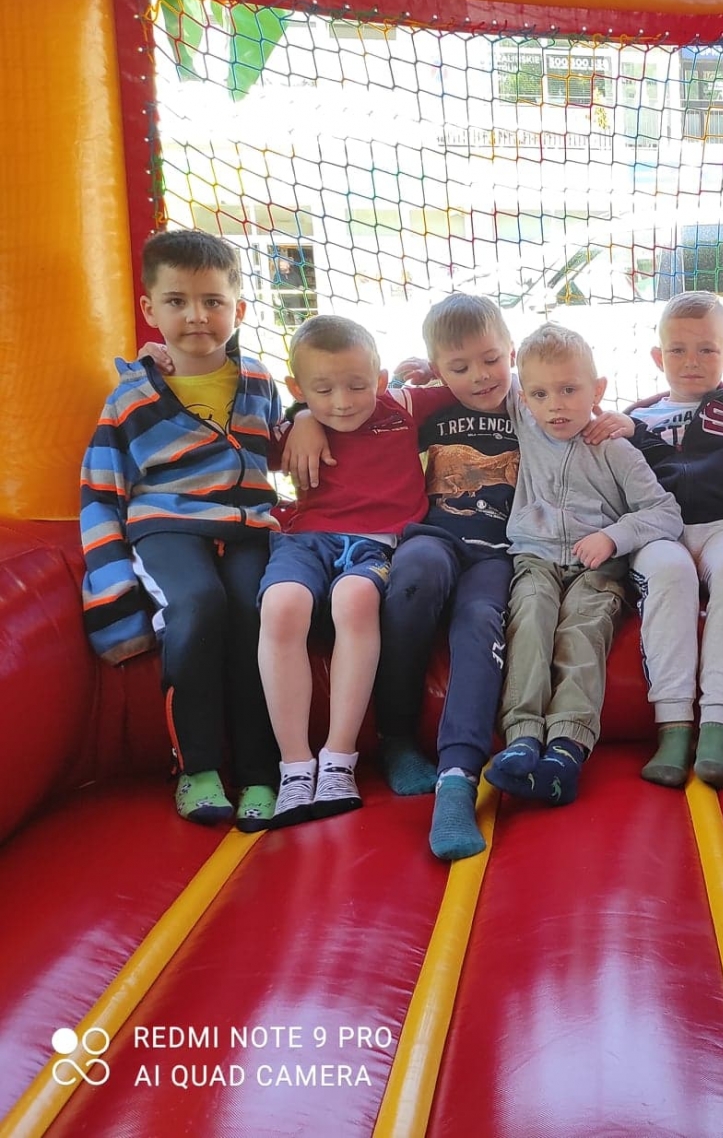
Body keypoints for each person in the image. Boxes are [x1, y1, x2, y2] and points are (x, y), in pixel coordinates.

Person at [79, 230, 282, 830]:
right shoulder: (131, 398)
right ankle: (198, 767)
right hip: (166, 524)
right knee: (196, 604)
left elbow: (279, 448)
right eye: (177, 301)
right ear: (150, 309)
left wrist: (308, 425)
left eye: (213, 301)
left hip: (246, 526)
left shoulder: (258, 382)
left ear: (238, 309)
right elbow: (100, 488)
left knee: (256, 611)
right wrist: (113, 591)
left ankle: (260, 771)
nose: (196, 316)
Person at [258, 315, 452, 826]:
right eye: (323, 390)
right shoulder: (296, 427)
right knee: (281, 604)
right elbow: (237, 441)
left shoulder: (401, 407)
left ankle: (339, 759)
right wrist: (303, 416)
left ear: (381, 380)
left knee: (356, 599)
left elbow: (469, 383)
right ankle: (295, 765)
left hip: (377, 544)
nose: (342, 401)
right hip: (307, 539)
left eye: (358, 386)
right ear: (297, 388)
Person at [485, 324, 681, 806]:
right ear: (524, 399)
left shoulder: (613, 449)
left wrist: (613, 537)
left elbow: (665, 513)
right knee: (530, 618)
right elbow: (484, 372)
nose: (555, 405)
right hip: (536, 557)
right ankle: (523, 738)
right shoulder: (526, 424)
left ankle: (566, 749)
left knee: (581, 631)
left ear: (598, 390)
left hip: (596, 568)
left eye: (570, 390)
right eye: (540, 394)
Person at [361, 294, 520, 860]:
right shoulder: (426, 405)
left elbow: (579, 403)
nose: (480, 376)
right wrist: (304, 417)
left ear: (511, 351)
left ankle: (457, 779)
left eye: (491, 359)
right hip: (435, 535)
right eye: (460, 367)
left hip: (498, 552)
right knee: (414, 575)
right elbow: (352, 404)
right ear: (437, 368)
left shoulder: (530, 401)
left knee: (481, 619)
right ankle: (397, 739)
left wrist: (616, 420)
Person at [610, 291, 723, 790]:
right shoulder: (637, 419)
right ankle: (674, 726)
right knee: (671, 573)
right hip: (661, 531)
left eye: (707, 350)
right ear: (658, 357)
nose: (692, 362)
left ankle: (718, 724)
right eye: (678, 350)